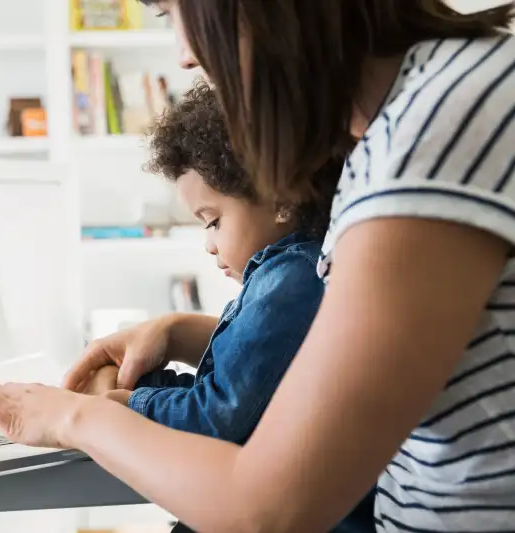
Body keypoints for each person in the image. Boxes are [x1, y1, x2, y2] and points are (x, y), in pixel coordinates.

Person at [0, 1, 515, 531]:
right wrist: (187, 333)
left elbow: (268, 508)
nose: (185, 54)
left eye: (175, 12)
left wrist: (73, 418)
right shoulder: (422, 112)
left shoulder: (435, 129)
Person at [80, 80, 372, 533]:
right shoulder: (284, 275)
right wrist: (134, 385)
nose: (210, 246)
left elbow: (217, 416)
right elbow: (228, 389)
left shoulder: (291, 283)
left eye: (213, 222)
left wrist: (118, 405)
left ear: (281, 198)